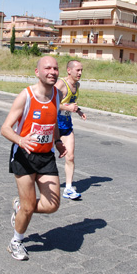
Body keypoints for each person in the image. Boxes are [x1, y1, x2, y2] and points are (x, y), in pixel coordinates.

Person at [0, 56, 67, 261]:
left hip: (46, 156)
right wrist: (20, 140)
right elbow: (5, 128)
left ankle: (21, 208)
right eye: (47, 68)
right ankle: (16, 241)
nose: (52, 72)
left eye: (55, 68)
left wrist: (56, 141)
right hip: (24, 156)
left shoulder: (57, 94)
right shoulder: (26, 96)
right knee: (29, 206)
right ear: (37, 72)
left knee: (51, 205)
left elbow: (52, 121)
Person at [54, 60, 87, 200]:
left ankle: (68, 188)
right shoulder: (61, 84)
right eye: (77, 70)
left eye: (81, 70)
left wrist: (78, 110)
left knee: (70, 156)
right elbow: (49, 102)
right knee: (43, 158)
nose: (80, 73)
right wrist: (67, 108)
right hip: (52, 126)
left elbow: (70, 102)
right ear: (69, 70)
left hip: (66, 125)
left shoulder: (77, 85)